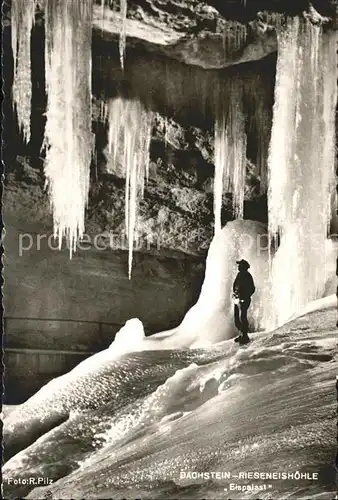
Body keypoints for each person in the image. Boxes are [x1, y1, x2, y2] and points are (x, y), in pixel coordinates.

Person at [233, 259, 255, 345]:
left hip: (243, 299)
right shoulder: (239, 275)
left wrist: (245, 296)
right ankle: (241, 334)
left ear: (243, 267)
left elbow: (252, 288)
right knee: (236, 317)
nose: (238, 266)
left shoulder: (247, 275)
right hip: (237, 299)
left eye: (240, 265)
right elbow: (235, 286)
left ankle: (245, 336)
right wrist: (235, 294)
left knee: (243, 317)